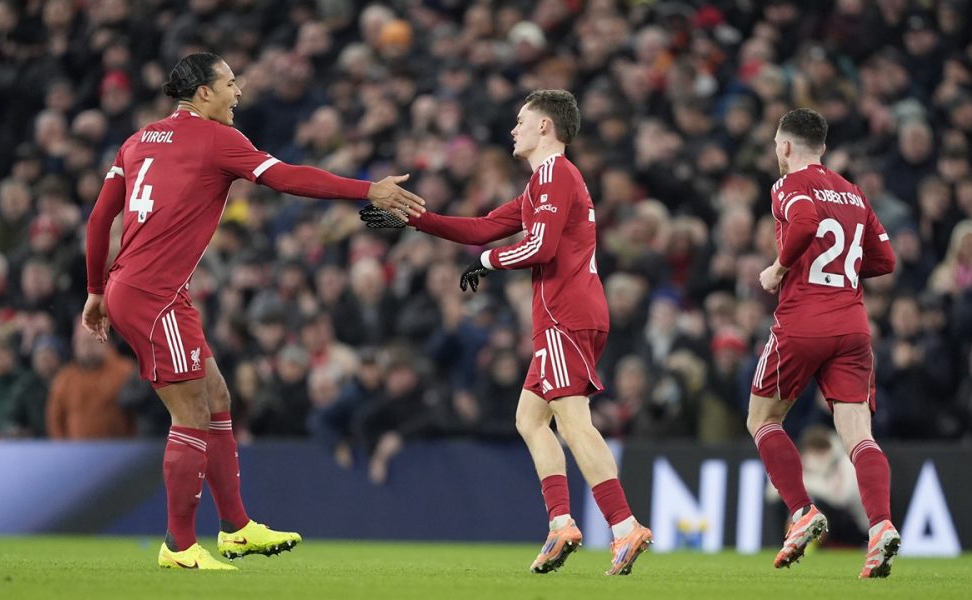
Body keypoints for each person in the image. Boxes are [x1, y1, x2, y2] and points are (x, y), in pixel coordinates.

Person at [82, 52, 426, 571]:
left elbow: (99, 219)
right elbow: (287, 178)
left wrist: (95, 290)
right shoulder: (218, 139)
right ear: (203, 93)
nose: (238, 91)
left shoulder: (137, 140)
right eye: (229, 83)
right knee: (190, 414)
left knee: (217, 395)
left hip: (141, 288)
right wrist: (367, 189)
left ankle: (237, 528)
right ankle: (179, 547)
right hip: (154, 295)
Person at [360, 90, 651, 576]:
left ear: (545, 126)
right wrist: (414, 219)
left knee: (573, 422)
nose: (513, 129)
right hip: (568, 313)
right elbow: (481, 228)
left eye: (521, 120)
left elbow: (539, 247)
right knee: (530, 420)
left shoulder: (556, 173)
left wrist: (489, 261)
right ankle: (561, 523)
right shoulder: (543, 183)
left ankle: (624, 526)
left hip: (564, 315)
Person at [748, 108, 899, 579]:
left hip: (802, 322)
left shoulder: (788, 185)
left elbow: (805, 222)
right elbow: (886, 259)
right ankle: (880, 525)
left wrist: (779, 268)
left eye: (776, 144)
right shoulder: (853, 192)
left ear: (786, 146)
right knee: (858, 434)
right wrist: (844, 271)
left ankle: (801, 512)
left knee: (762, 418)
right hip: (852, 326)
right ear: (824, 149)